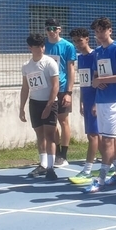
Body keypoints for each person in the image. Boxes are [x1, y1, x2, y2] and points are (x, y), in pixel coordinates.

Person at [83, 17, 116, 193]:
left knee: (108, 141)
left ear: (110, 30)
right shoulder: (97, 52)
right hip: (102, 100)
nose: (99, 34)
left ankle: (101, 179)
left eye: (102, 31)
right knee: (111, 139)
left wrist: (103, 80)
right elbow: (96, 76)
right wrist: (96, 88)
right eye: (96, 32)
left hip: (115, 101)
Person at [19, 34, 59, 181]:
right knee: (40, 134)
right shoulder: (26, 66)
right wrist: (21, 108)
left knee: (50, 135)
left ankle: (51, 168)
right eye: (36, 47)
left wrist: (49, 105)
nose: (40, 49)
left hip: (49, 102)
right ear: (30, 48)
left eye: (42, 46)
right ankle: (43, 164)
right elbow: (25, 88)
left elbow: (55, 85)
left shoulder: (49, 63)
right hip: (34, 102)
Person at [43, 18, 76, 167]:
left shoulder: (68, 46)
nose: (51, 31)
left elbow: (71, 69)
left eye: (53, 28)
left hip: (62, 88)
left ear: (59, 29)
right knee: (51, 122)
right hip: (47, 89)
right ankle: (55, 152)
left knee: (63, 121)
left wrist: (69, 92)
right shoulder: (43, 45)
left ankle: (64, 154)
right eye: (48, 29)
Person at [68, 28, 99, 184]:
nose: (77, 44)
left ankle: (87, 170)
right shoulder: (80, 58)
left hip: (96, 101)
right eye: (75, 41)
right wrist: (81, 100)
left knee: (93, 136)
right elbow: (83, 82)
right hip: (86, 100)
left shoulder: (96, 56)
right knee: (96, 136)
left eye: (80, 40)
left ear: (87, 39)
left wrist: (96, 103)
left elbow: (99, 81)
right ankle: (114, 164)